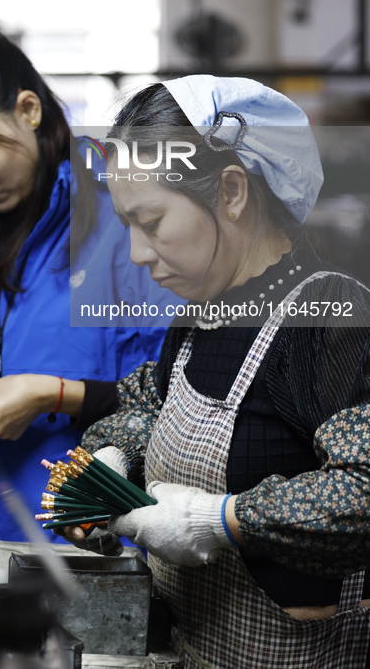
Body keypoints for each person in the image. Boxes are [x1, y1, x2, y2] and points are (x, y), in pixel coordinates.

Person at [60, 75, 370, 668]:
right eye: (127, 225)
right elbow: (150, 401)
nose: (138, 253)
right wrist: (111, 459)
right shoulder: (204, 313)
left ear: (230, 191)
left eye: (151, 222)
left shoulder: (329, 321)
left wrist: (218, 520)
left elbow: (362, 489)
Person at [0, 25, 171, 554]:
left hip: (85, 557)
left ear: (28, 110)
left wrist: (53, 395)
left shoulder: (126, 230)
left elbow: (175, 397)